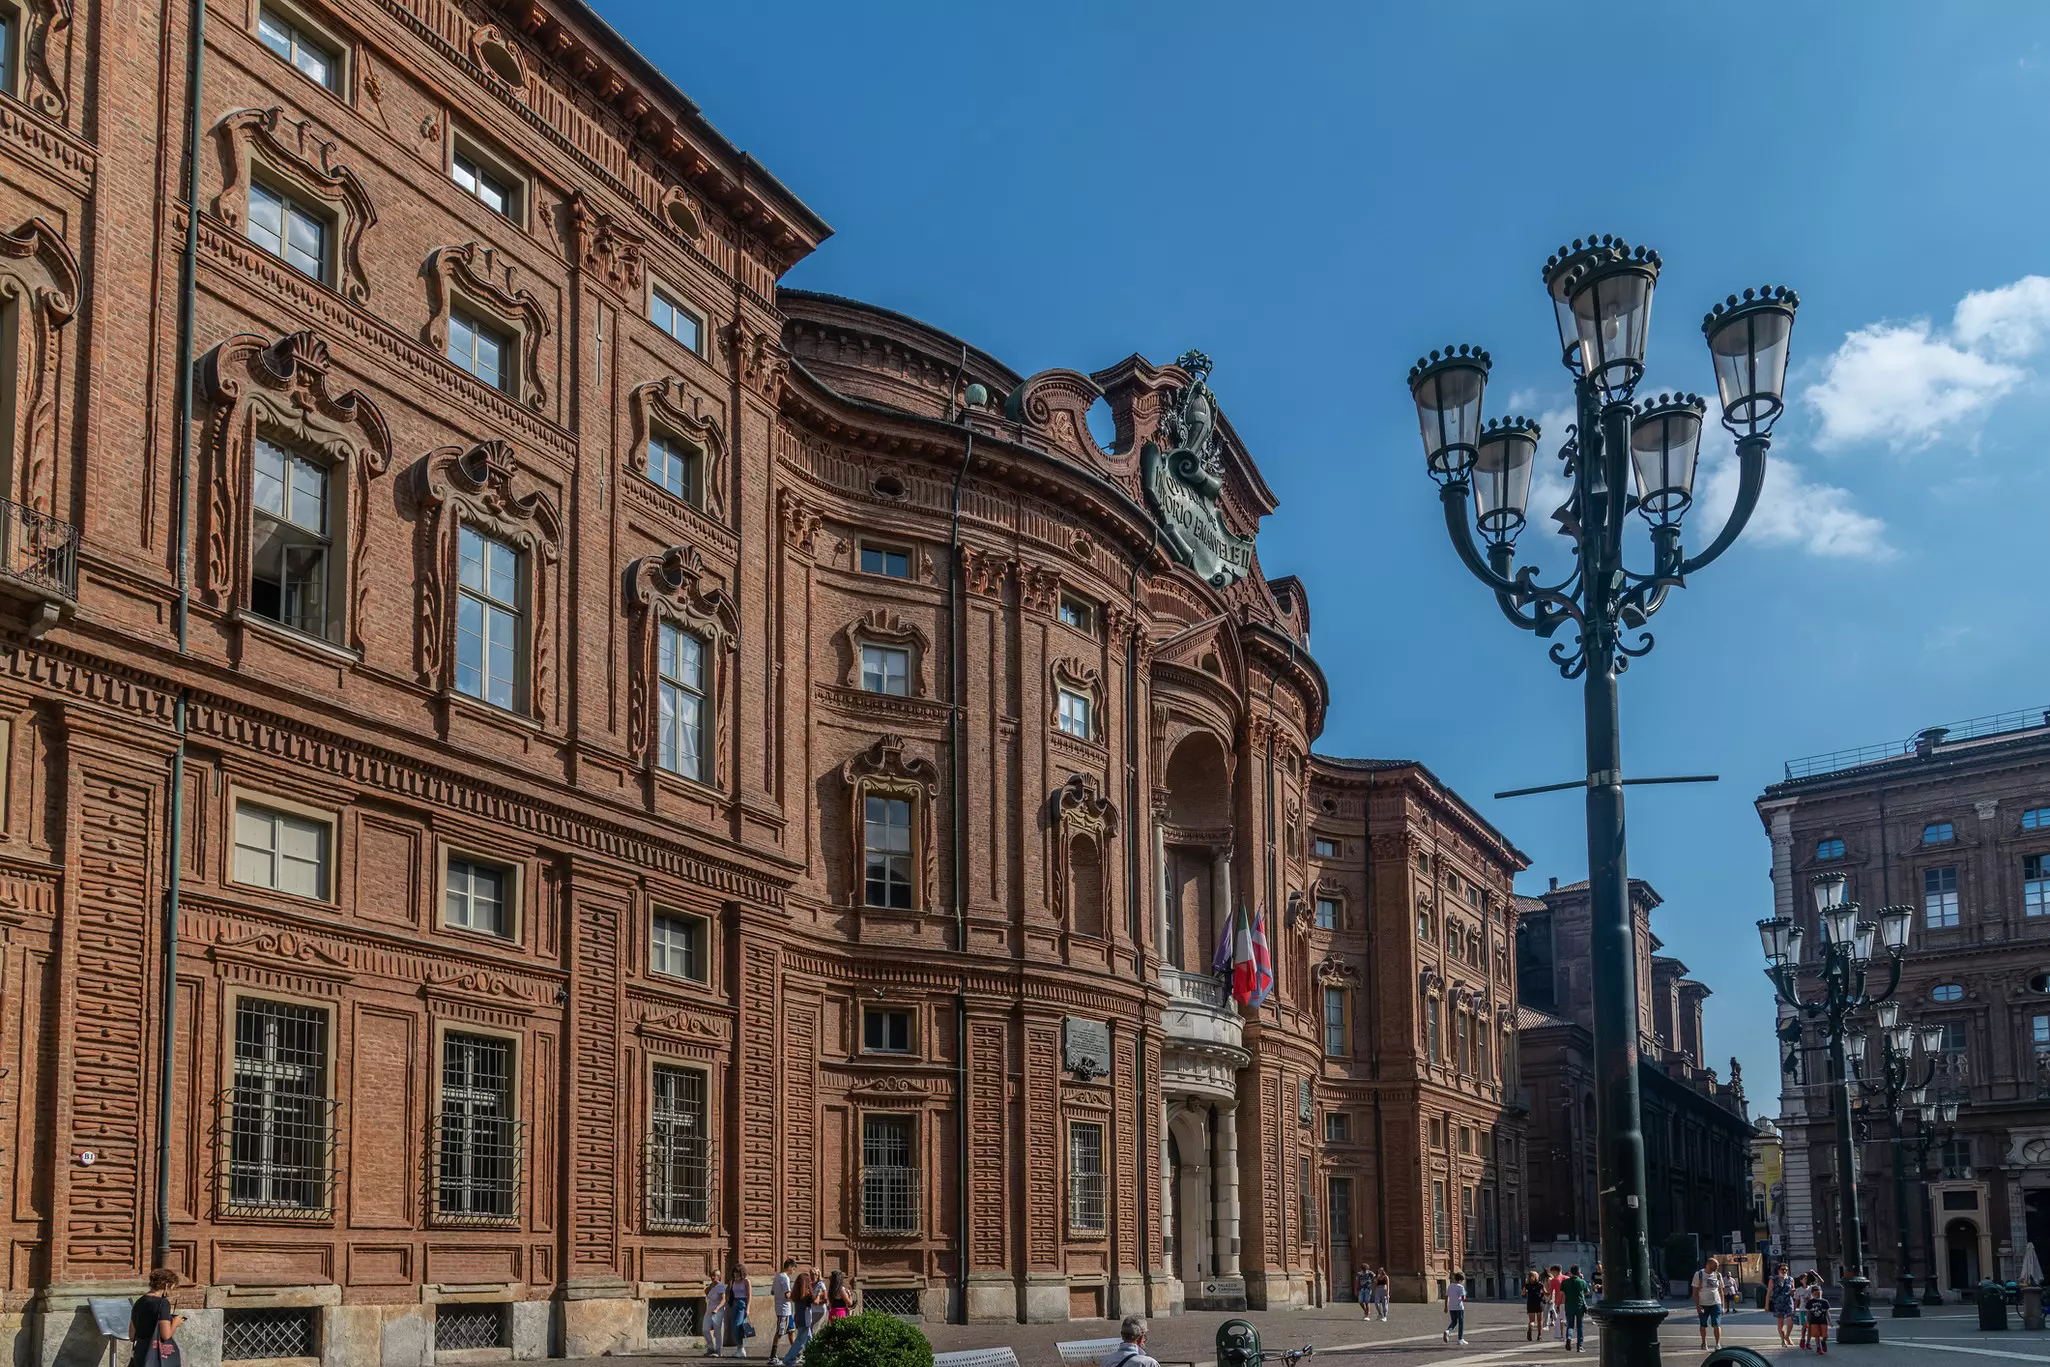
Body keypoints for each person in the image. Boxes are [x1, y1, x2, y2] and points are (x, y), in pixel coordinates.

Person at [129, 1269, 184, 1367]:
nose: (172, 1292)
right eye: (172, 1288)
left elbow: (132, 1336)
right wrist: (175, 1322)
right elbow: (165, 1335)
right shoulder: (163, 1304)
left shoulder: (139, 1302)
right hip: (156, 1356)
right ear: (166, 1285)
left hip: (141, 1354)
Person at [1691, 1255, 1725, 1353]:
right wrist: (1698, 1306)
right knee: (1703, 1325)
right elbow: (1695, 1292)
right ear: (1708, 1265)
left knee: (1717, 1324)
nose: (1717, 1268)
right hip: (1703, 1304)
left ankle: (1718, 1344)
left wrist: (1723, 1306)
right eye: (1715, 1266)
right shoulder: (1699, 1274)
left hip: (1716, 1303)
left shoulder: (1718, 1275)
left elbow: (1721, 1290)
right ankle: (1704, 1342)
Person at [767, 1260, 796, 1362]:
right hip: (784, 1310)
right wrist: (798, 1298)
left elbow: (772, 1291)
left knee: (791, 1332)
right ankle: (772, 1356)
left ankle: (796, 1353)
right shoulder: (785, 1278)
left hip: (785, 1309)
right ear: (789, 1267)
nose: (793, 1271)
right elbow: (787, 1295)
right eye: (793, 1268)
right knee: (779, 1333)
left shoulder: (777, 1276)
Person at [1560, 1264, 1590, 1354]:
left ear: (1570, 1272)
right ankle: (1579, 1346)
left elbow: (1561, 1293)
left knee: (1570, 1325)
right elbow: (1587, 1292)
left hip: (1569, 1305)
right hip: (1579, 1306)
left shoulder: (1565, 1282)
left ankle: (1569, 1337)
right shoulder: (1582, 1282)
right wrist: (1582, 1279)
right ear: (1579, 1272)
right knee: (1580, 1326)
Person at [725, 1265, 752, 1358]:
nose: (736, 1275)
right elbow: (728, 1292)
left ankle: (741, 1348)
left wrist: (748, 1308)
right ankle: (739, 1349)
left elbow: (749, 1295)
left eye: (737, 1273)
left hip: (742, 1304)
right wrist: (728, 1299)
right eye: (734, 1273)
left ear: (742, 1273)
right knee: (734, 1326)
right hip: (734, 1304)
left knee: (738, 1325)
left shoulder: (746, 1281)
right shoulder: (732, 1281)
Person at [1770, 1263, 1797, 1347]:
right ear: (1778, 1270)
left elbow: (1793, 1291)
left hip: (1788, 1301)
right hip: (1778, 1303)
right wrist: (1766, 1305)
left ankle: (1787, 1336)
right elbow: (1769, 1293)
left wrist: (1793, 1292)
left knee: (1790, 1321)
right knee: (1780, 1323)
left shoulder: (1790, 1279)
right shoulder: (1773, 1279)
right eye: (1782, 1269)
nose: (1784, 1271)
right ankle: (1782, 1340)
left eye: (1786, 1269)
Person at [1802, 1277, 1831, 1353]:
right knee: (1816, 1335)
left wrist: (1830, 1321)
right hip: (1814, 1321)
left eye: (1818, 1292)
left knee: (1825, 1335)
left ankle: (1823, 1342)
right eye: (1814, 1292)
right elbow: (1808, 1313)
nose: (1817, 1293)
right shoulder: (1810, 1302)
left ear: (1821, 1292)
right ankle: (1818, 1348)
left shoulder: (1825, 1302)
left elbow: (1827, 1312)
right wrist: (1807, 1321)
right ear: (1812, 1293)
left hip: (1823, 1321)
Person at [704, 1273, 728, 1358]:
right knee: (705, 1329)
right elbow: (707, 1294)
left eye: (715, 1275)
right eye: (712, 1276)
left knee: (717, 1331)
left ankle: (718, 1350)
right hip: (709, 1309)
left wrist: (717, 1308)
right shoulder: (710, 1286)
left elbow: (723, 1299)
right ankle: (710, 1348)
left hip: (718, 1310)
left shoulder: (720, 1286)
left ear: (719, 1277)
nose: (713, 1277)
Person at [1442, 1271, 1468, 1346]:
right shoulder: (1461, 1287)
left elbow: (1446, 1296)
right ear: (1460, 1280)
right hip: (1459, 1307)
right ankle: (1460, 1339)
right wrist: (1464, 1295)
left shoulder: (1450, 1286)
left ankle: (1448, 1331)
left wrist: (1446, 1306)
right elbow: (1463, 1298)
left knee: (1454, 1321)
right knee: (1461, 1322)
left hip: (1451, 1307)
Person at [1524, 1269, 1545, 1341]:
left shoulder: (1527, 1285)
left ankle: (1530, 1328)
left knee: (1532, 1321)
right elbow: (1545, 1292)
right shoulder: (1540, 1284)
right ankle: (1539, 1335)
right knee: (1540, 1321)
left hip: (1530, 1303)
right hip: (1539, 1303)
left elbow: (1523, 1293)